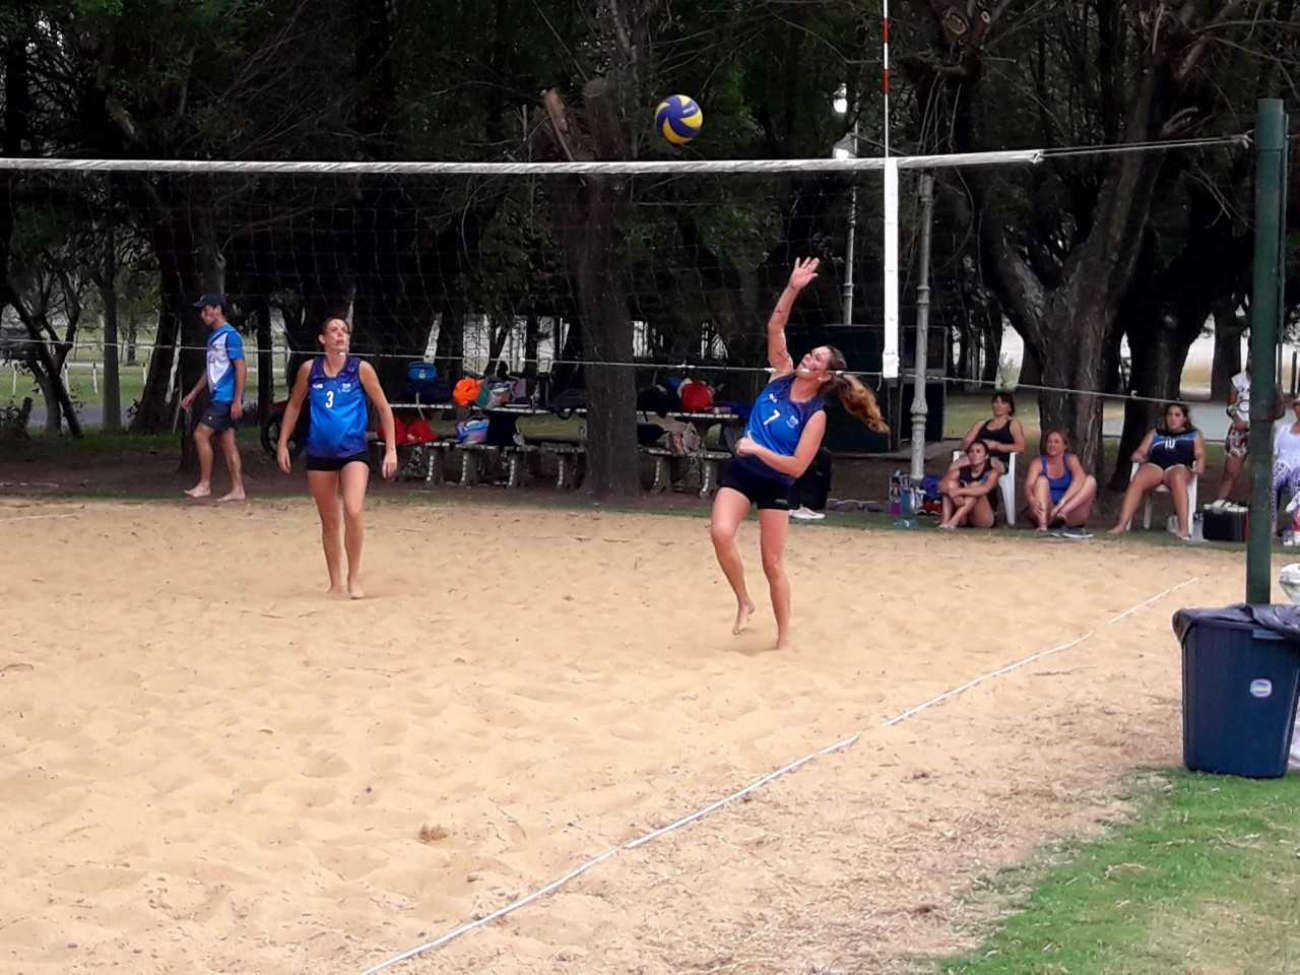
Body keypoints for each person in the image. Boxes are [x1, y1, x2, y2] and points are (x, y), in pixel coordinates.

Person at [710, 257, 888, 650]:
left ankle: (784, 639)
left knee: (772, 563)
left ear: (825, 376)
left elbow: (796, 466)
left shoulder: (816, 415)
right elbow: (775, 326)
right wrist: (793, 287)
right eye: (810, 355)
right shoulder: (780, 374)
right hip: (742, 471)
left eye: (816, 361)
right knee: (720, 533)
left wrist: (756, 445)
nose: (808, 359)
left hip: (776, 481)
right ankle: (743, 599)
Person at [277, 317, 398, 598]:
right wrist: (283, 443)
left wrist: (390, 449)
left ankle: (354, 578)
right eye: (334, 330)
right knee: (329, 519)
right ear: (323, 339)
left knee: (353, 510)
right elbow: (294, 406)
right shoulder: (310, 370)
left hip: (353, 451)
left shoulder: (360, 369)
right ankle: (335, 582)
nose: (340, 335)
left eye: (344, 331)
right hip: (319, 452)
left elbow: (383, 408)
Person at [180, 294, 247, 502]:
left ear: (217, 309)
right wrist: (193, 393)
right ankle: (238, 489)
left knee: (200, 435)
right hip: (219, 395)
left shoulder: (230, 336)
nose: (202, 314)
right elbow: (209, 370)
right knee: (228, 442)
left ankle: (205, 484)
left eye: (205, 309)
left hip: (225, 397)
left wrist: (237, 400)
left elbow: (241, 368)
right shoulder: (213, 337)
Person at [1109, 402, 1205, 540]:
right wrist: (1138, 455)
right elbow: (1141, 451)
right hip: (1156, 466)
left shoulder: (1193, 435)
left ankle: (1183, 528)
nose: (1173, 418)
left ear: (1184, 418)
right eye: (1170, 415)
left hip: (1179, 467)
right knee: (1138, 478)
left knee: (1178, 477)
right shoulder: (1155, 433)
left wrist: (1199, 464)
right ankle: (1121, 524)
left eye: (1177, 415)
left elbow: (1200, 455)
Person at [1024, 429, 1097, 534]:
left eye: (1056, 442)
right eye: (1049, 442)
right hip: (1047, 511)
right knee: (1041, 481)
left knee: (1090, 481)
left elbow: (1079, 480)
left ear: (1065, 446)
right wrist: (1031, 499)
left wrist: (1061, 506)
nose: (1052, 445)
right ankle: (1043, 527)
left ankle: (1063, 513)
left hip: (1069, 512)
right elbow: (1028, 486)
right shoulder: (1038, 463)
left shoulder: (1071, 460)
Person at [1210, 356, 1251, 511]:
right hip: (1239, 430)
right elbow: (1230, 405)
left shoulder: (1269, 380)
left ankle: (1258, 509)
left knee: (1259, 473)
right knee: (1230, 471)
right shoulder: (1237, 380)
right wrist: (1236, 418)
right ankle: (1219, 504)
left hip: (1260, 430)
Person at [937, 440, 1001, 530]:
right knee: (950, 484)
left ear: (986, 456)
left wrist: (958, 491)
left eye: (978, 451)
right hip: (965, 516)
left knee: (975, 486)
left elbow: (985, 489)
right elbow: (941, 485)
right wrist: (952, 492)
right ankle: (945, 521)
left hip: (983, 517)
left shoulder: (991, 472)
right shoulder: (961, 470)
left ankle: (953, 521)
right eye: (971, 451)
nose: (974, 454)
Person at [957, 391, 1025, 474]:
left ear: (1010, 408)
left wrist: (997, 446)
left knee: (988, 464)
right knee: (957, 465)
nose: (998, 405)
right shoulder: (980, 424)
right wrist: (973, 445)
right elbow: (965, 443)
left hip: (999, 461)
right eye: (996, 402)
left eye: (1003, 403)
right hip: (976, 457)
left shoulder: (1013, 424)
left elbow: (1020, 447)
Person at [1272, 396, 1300, 544]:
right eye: (1298, 406)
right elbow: (1276, 454)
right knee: (1271, 483)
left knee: (1297, 486)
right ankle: (1271, 525)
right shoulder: (1284, 429)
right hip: (1284, 464)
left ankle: (1297, 529)